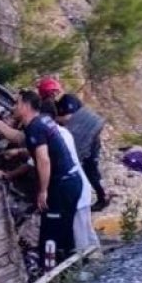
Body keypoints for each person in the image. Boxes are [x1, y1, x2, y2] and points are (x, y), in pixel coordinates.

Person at [0, 91, 84, 267]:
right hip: (71, 183)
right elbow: (19, 138)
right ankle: (71, 267)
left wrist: (43, 191)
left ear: (25, 105)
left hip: (61, 185)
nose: (13, 107)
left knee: (50, 231)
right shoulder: (41, 122)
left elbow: (43, 160)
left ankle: (48, 272)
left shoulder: (35, 127)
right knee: (65, 228)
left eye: (16, 103)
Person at [36, 77, 108, 211]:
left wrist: (49, 120)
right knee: (81, 169)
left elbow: (70, 118)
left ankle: (102, 198)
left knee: (90, 169)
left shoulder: (68, 99)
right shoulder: (56, 105)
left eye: (47, 96)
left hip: (88, 141)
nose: (48, 99)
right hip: (78, 141)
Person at [54, 95, 101, 251]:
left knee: (80, 235)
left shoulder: (58, 137)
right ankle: (96, 258)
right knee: (86, 229)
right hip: (81, 189)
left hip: (75, 194)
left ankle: (85, 267)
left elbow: (37, 162)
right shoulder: (66, 134)